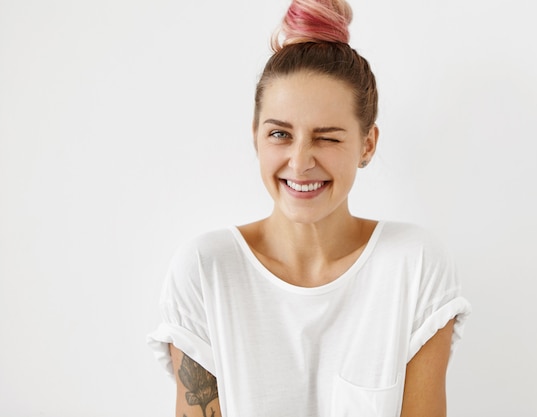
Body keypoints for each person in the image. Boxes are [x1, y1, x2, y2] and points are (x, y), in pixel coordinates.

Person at [147, 0, 471, 415]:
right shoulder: (206, 270)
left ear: (367, 144)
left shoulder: (414, 265)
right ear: (256, 136)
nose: (300, 162)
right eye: (281, 134)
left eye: (328, 137)